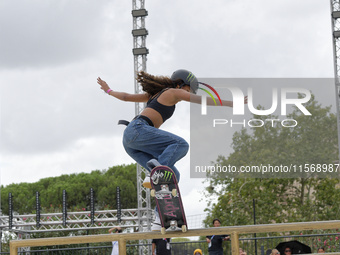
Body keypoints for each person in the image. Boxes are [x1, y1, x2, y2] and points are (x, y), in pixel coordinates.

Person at [97, 70, 246, 186]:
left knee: (173, 176)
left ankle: (159, 218)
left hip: (132, 143)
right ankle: (155, 173)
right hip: (138, 130)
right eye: (188, 91)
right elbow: (201, 100)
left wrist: (108, 91)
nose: (186, 95)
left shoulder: (154, 95)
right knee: (181, 144)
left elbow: (126, 97)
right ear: (181, 84)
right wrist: (230, 103)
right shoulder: (173, 92)